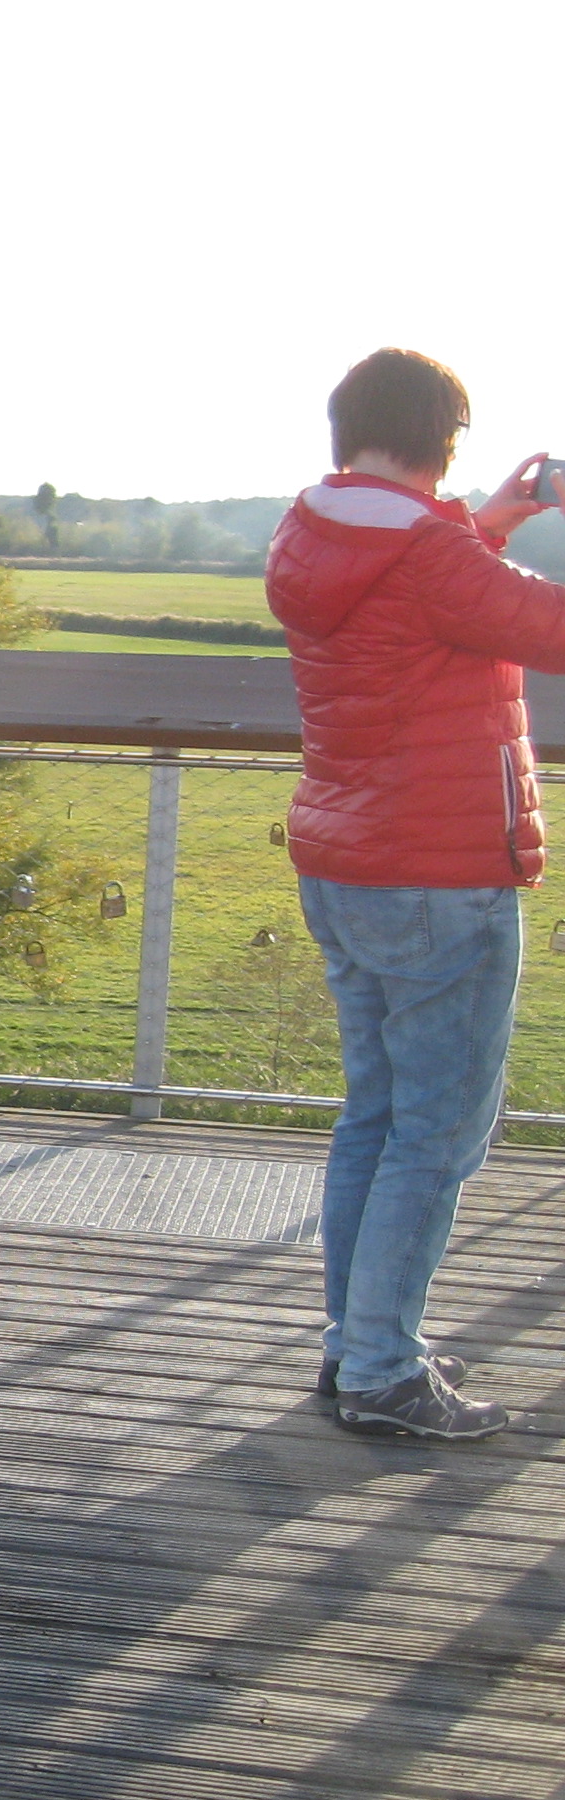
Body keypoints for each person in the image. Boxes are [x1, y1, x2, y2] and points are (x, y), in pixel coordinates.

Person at [269, 347, 565, 1439]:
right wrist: (480, 531)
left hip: (347, 862)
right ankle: (383, 1372)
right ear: (443, 439)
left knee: (379, 1118)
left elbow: (417, 587)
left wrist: (489, 524)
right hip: (442, 877)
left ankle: (355, 1345)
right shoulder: (431, 553)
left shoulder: (312, 533)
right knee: (436, 1137)